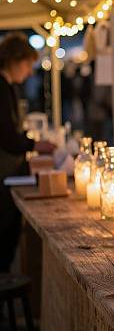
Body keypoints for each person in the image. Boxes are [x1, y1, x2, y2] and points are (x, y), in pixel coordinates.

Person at [0, 32, 55, 272]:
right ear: (14, 59)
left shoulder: (7, 86)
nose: (30, 72)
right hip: (3, 171)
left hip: (9, 168)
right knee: (5, 233)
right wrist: (34, 144)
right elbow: (6, 136)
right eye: (28, 64)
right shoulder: (1, 87)